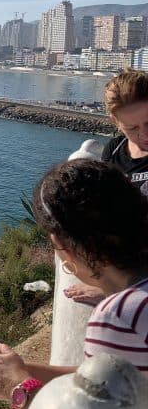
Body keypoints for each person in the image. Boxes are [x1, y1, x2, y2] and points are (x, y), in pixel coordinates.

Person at [0, 159, 148, 409]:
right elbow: (111, 381)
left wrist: (13, 386)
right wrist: (19, 370)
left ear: (62, 244)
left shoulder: (119, 315)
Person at [69, 70, 148, 304]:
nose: (144, 134)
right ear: (115, 122)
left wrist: (113, 288)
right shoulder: (113, 150)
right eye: (132, 128)